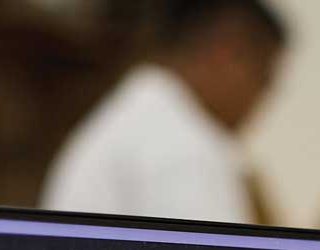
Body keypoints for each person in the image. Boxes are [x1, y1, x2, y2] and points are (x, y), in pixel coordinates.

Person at [41, 0, 286, 225]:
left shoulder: (143, 118)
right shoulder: (183, 146)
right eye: (263, 78)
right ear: (224, 53)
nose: (264, 98)